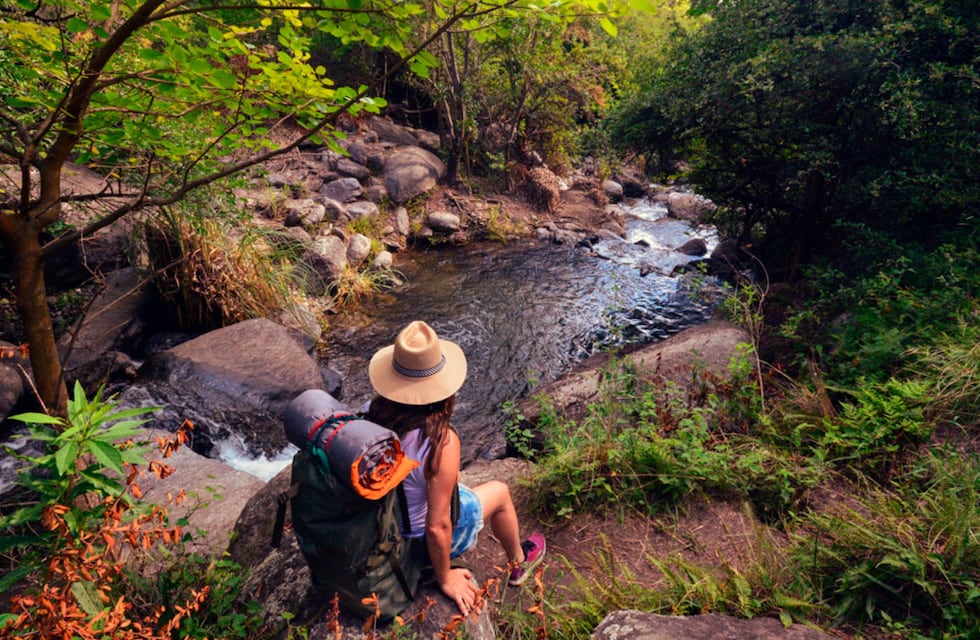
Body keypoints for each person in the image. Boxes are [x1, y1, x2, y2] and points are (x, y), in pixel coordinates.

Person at [366, 320, 546, 616]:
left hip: (385, 528)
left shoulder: (373, 417)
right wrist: (445, 575)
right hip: (415, 543)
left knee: (449, 491)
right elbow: (437, 526)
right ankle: (519, 563)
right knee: (499, 492)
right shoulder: (441, 442)